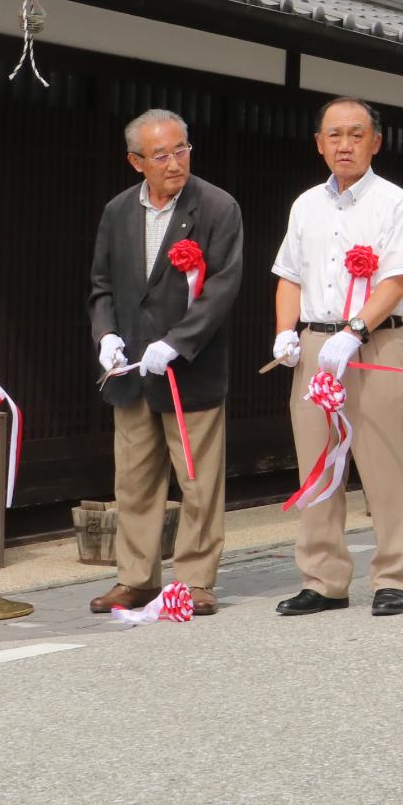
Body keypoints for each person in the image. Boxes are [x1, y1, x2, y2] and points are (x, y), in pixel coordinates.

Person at [269, 97, 403, 618]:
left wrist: (356, 329)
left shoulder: (395, 202)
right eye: (334, 135)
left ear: (375, 142)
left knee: (385, 463)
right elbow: (289, 274)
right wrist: (284, 333)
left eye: (356, 134)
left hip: (376, 343)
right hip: (316, 344)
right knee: (316, 464)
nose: (345, 144)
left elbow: (398, 277)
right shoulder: (304, 205)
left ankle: (392, 577)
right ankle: (324, 579)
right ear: (318, 143)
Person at [86, 109, 242, 616]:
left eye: (182, 149)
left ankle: (196, 580)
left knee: (197, 479)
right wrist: (106, 335)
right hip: (131, 370)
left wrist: (177, 342)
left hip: (189, 367)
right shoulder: (117, 212)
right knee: (133, 479)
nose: (175, 163)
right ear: (136, 161)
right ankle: (135, 578)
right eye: (161, 155)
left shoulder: (217, 207)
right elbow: (102, 287)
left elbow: (221, 288)